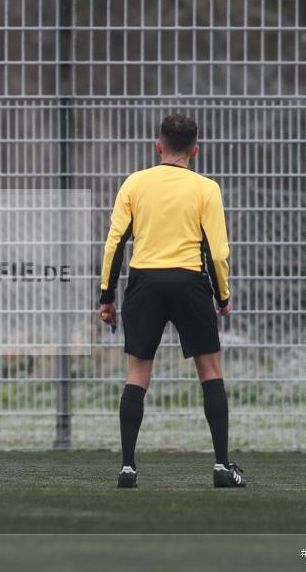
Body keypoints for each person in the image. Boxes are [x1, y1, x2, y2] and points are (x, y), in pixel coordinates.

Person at [98, 115, 246, 489]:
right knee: (211, 373)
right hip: (189, 281)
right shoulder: (205, 188)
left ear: (158, 146)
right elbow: (217, 252)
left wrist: (107, 296)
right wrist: (223, 295)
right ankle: (221, 467)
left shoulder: (135, 183)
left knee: (137, 376)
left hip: (144, 282)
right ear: (195, 151)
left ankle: (128, 468)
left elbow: (115, 243)